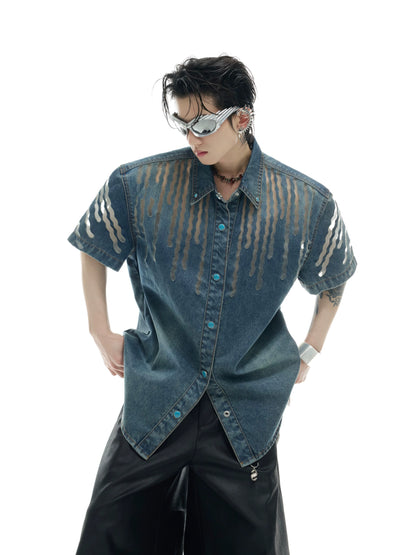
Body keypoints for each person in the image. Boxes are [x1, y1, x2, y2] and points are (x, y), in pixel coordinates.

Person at [68, 55, 357, 555]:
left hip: (244, 413)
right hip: (158, 395)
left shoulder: (306, 202)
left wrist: (310, 350)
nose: (191, 137)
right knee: (109, 533)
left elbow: (334, 277)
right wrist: (99, 329)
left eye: (202, 125)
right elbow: (95, 241)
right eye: (182, 123)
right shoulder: (140, 184)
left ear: (242, 118)